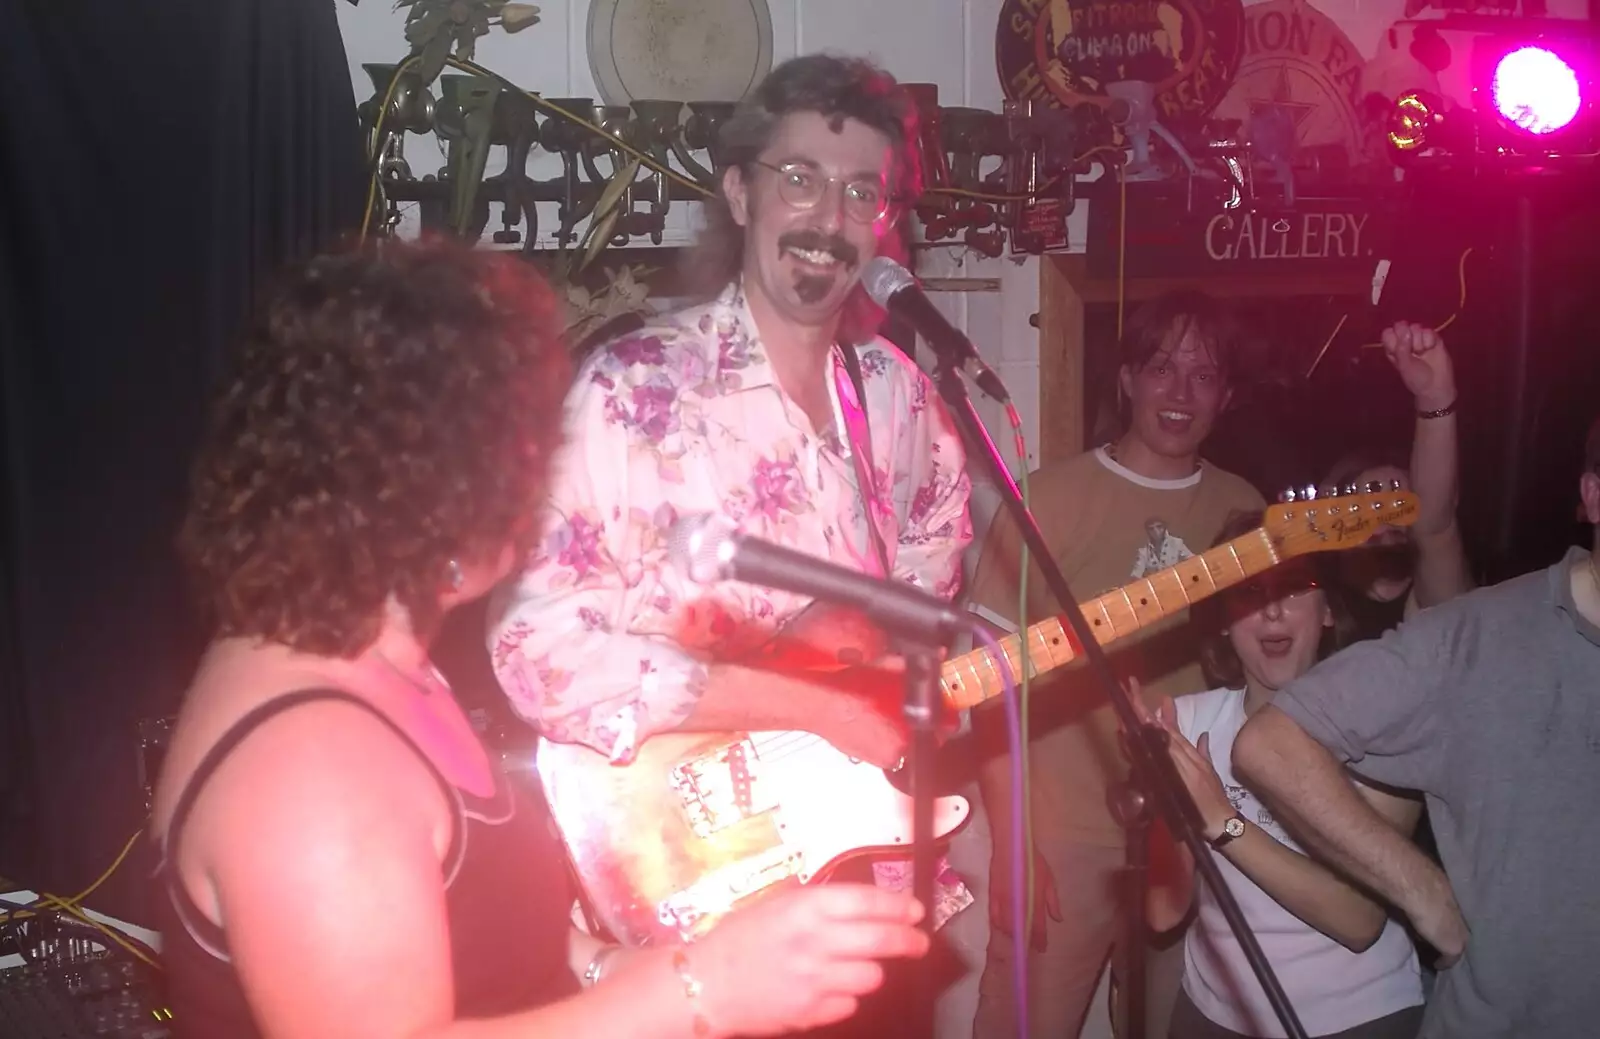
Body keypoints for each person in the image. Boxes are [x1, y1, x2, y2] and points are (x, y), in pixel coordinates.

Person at [152, 239, 931, 1039]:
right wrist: (705, 993)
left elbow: (471, 924)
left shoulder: (361, 651)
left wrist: (615, 968)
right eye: (525, 446)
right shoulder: (310, 771)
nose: (541, 475)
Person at [487, 53, 973, 1034]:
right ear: (740, 190)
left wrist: (906, 685)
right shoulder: (632, 391)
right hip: (688, 904)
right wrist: (803, 705)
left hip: (854, 886)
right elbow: (533, 653)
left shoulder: (900, 396)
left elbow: (933, 563)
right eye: (798, 177)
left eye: (859, 192)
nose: (827, 216)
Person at [1232, 417, 1600, 1037]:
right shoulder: (1460, 634)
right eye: (1367, 504)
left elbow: (1434, 524)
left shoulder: (1430, 603)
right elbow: (1275, 744)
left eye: (1393, 504)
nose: (1385, 519)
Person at [964, 290, 1265, 1038]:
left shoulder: (1242, 507)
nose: (1180, 391)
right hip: (1063, 839)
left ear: (1226, 396)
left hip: (1192, 837)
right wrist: (1014, 846)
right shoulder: (1049, 499)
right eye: (1162, 366)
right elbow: (988, 685)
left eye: (1204, 374)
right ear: (1127, 378)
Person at [1144, 513, 1424, 1039]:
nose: (1271, 610)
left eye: (1294, 588)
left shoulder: (1372, 726)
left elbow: (1358, 919)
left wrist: (1222, 822)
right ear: (1223, 618)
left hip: (1356, 1017)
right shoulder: (1188, 719)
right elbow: (1163, 913)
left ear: (1325, 612)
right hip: (1214, 1014)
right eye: (1249, 590)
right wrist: (1166, 802)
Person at [1320, 321, 1473, 640]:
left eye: (1401, 502)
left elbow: (1435, 523)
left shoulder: (1435, 598)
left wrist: (1435, 397)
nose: (1387, 514)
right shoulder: (1315, 604)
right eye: (1374, 500)